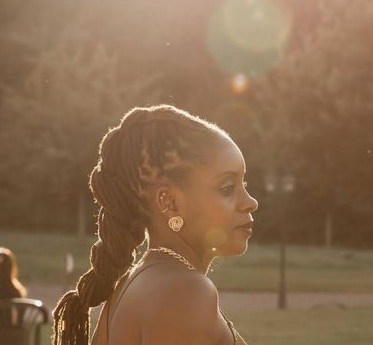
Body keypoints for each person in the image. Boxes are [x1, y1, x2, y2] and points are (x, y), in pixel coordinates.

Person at [53, 104, 258, 345]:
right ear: (169, 202)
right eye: (227, 188)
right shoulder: (185, 292)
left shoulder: (130, 285)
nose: (250, 202)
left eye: (245, 184)